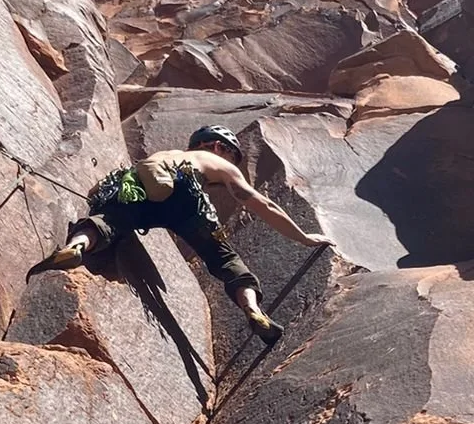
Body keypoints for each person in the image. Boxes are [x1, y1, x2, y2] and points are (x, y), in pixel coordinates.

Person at [29, 126, 331, 345]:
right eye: (230, 154)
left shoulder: (167, 155)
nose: (230, 160)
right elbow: (261, 203)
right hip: (187, 196)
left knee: (109, 220)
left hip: (144, 189)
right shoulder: (218, 163)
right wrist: (303, 237)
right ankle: (252, 309)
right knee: (224, 258)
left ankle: (77, 246)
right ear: (218, 147)